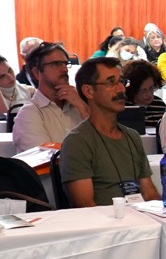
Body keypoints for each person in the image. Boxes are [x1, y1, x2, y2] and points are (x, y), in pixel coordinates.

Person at [59, 56, 159, 206]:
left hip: (141, 216)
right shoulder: (77, 142)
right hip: (105, 219)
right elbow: (85, 205)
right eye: (111, 82)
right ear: (88, 91)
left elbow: (149, 193)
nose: (121, 89)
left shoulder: (132, 136)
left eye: (122, 82)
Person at [12, 41, 88, 151]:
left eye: (65, 64)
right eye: (56, 64)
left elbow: (106, 145)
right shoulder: (28, 114)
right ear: (36, 73)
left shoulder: (80, 105)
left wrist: (82, 108)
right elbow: (44, 157)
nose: (64, 69)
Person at [123, 59, 166, 130]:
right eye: (143, 91)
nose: (148, 94)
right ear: (132, 90)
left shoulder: (159, 104)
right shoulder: (123, 106)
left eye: (151, 88)